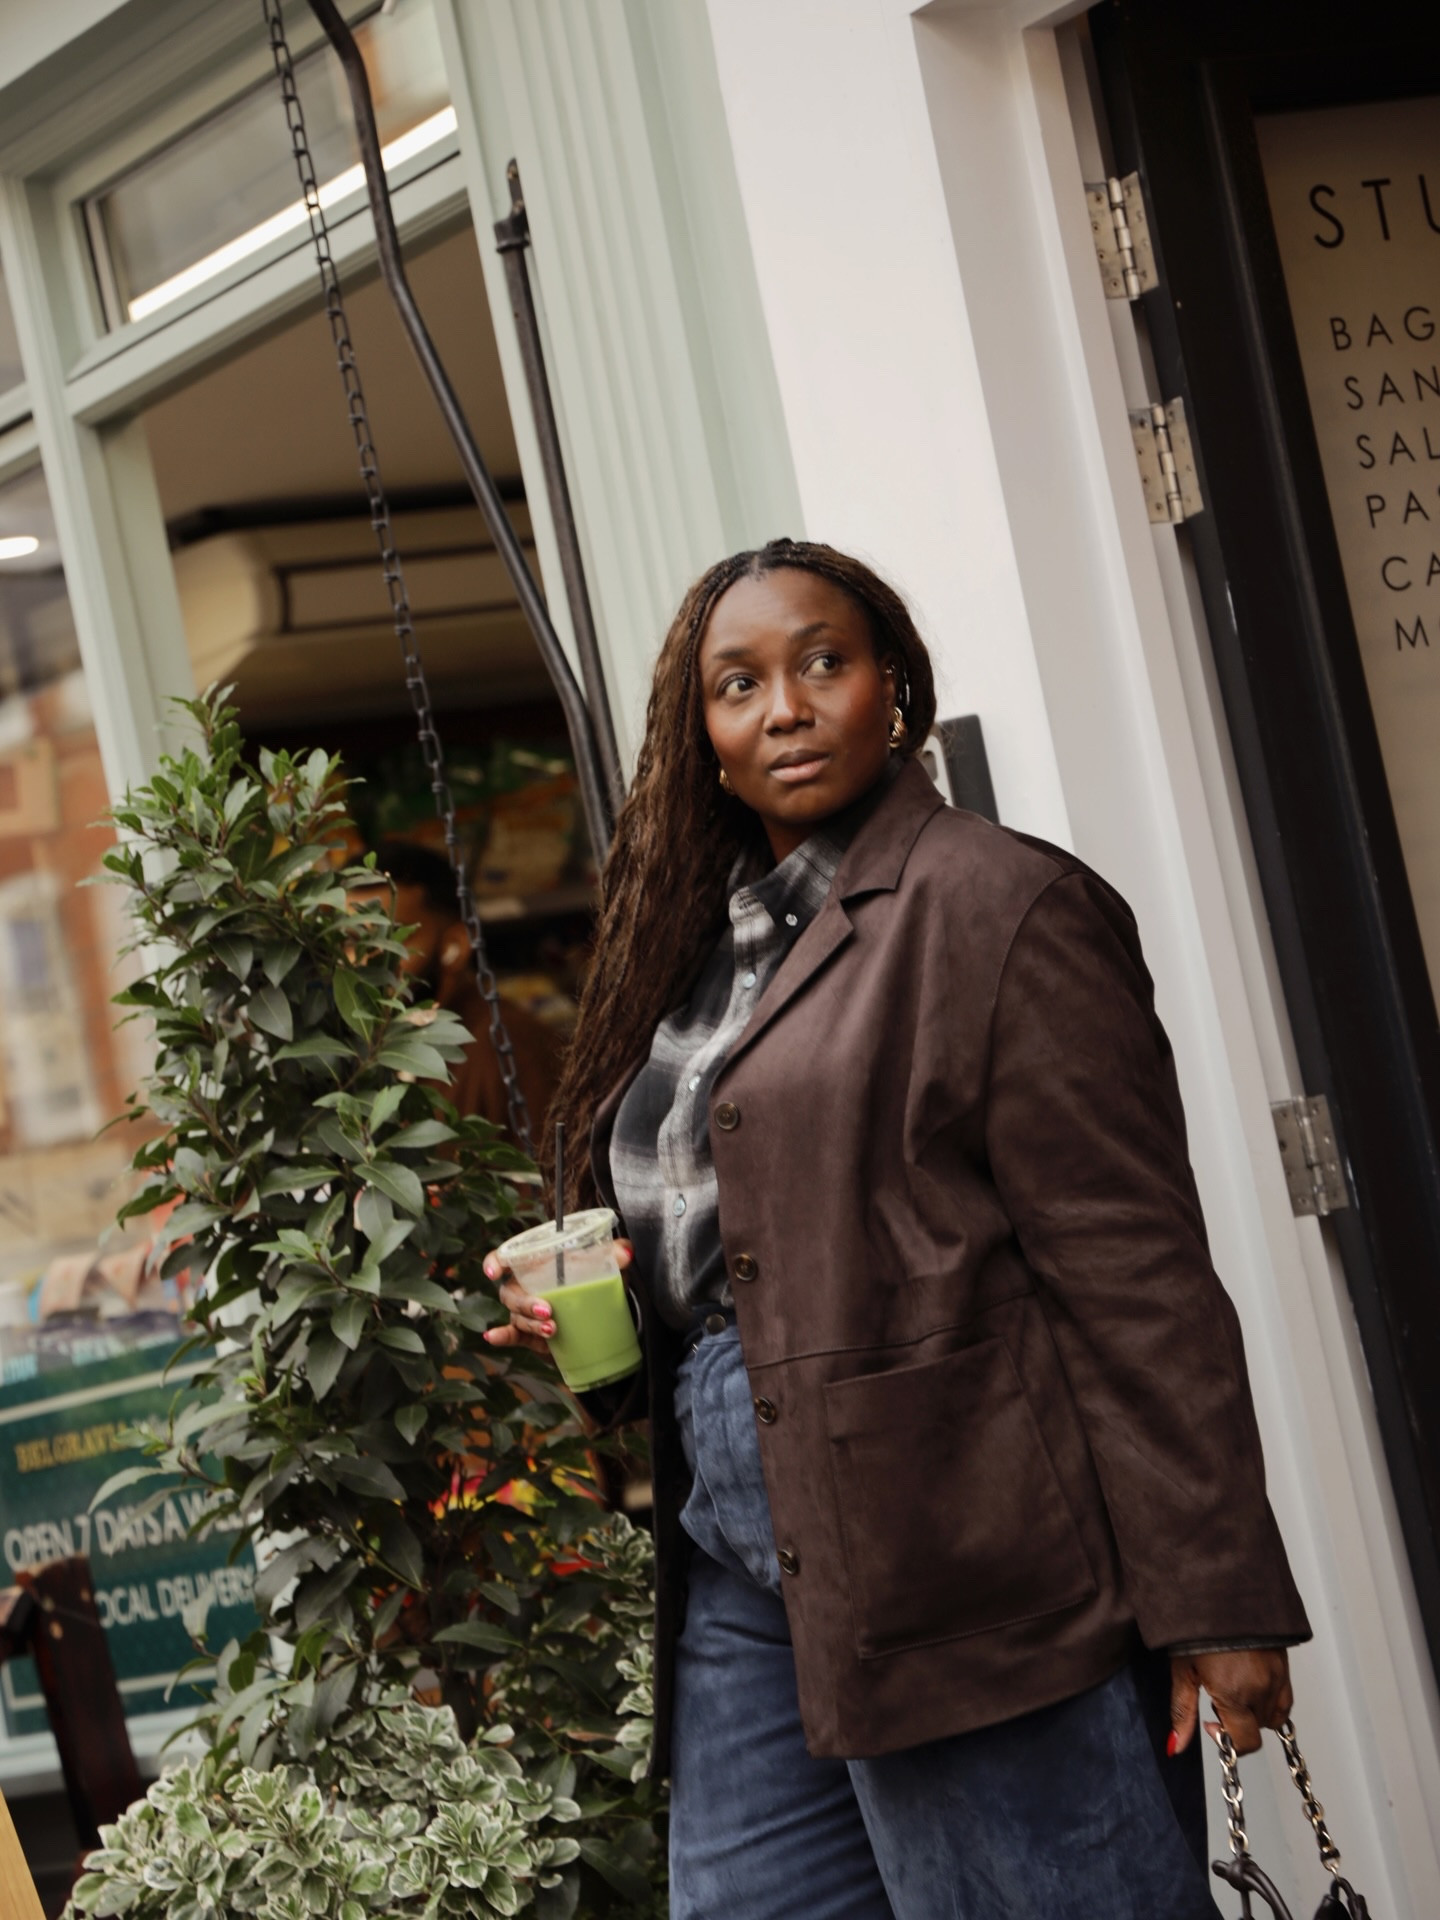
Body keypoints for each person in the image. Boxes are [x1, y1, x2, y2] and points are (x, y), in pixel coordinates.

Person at [483, 539, 1309, 1919]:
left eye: (823, 662)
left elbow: (1135, 1271)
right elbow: (732, 1222)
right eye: (737, 685)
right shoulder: (691, 943)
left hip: (959, 1529)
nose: (785, 708)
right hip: (740, 1531)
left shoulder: (998, 904)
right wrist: (602, 1287)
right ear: (704, 741)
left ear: (896, 690)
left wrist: (1217, 1598)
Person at [362, 840, 561, 1141]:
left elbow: (561, 1177)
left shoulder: (507, 1045)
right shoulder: (362, 1055)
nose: (366, 962)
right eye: (352, 941)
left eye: (392, 940)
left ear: (455, 946)